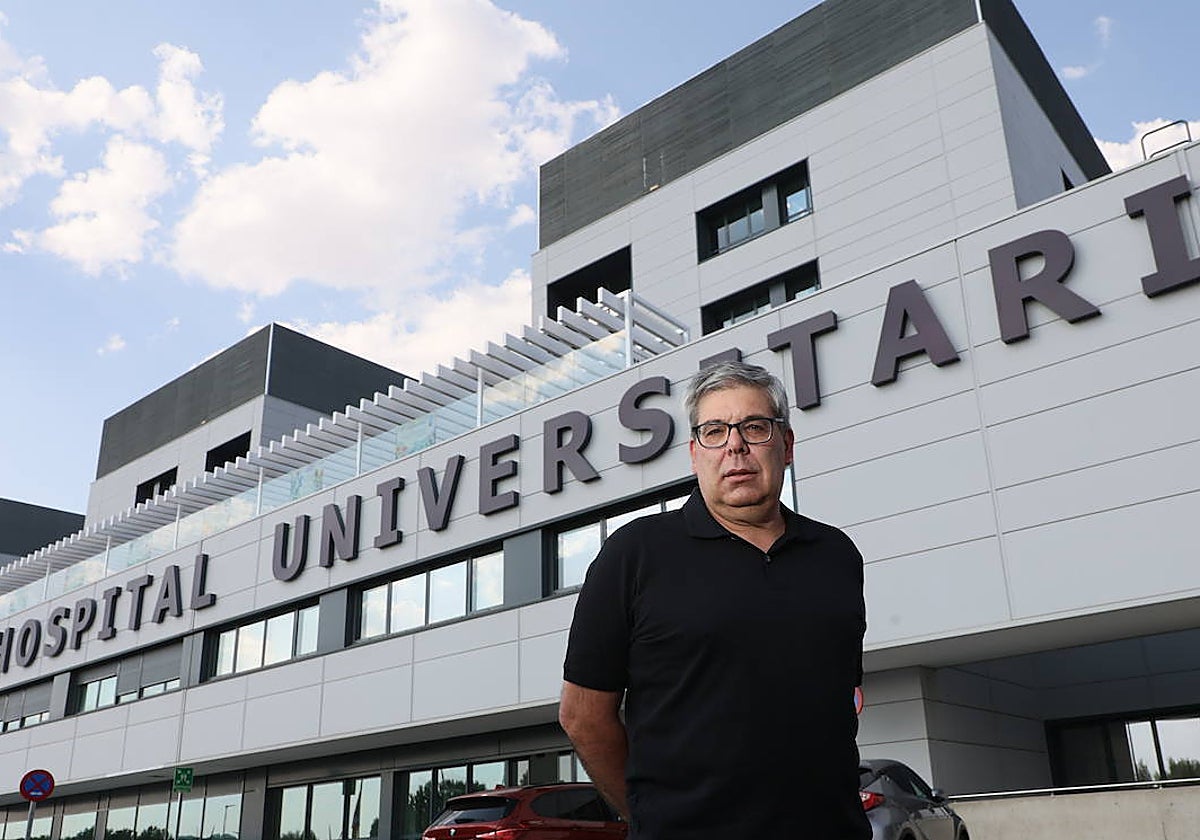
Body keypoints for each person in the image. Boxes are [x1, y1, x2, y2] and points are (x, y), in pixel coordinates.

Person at [559, 360, 870, 839]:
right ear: (693, 453)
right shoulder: (635, 553)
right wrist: (649, 817)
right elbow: (583, 715)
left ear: (786, 445)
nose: (735, 446)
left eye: (755, 427)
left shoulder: (836, 556)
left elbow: (843, 698)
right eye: (715, 431)